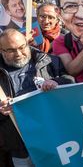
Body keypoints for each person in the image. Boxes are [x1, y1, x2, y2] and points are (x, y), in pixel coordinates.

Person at [0, 29, 74, 167]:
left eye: (22, 47)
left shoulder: (48, 61)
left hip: (54, 137)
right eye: (10, 50)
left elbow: (70, 81)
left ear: (27, 43)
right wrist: (1, 109)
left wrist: (56, 83)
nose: (18, 54)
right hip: (19, 146)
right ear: (2, 51)